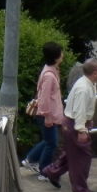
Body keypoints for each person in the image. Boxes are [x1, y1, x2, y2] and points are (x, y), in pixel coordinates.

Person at [43, 58, 97, 192]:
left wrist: (89, 120)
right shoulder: (84, 88)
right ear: (95, 73)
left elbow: (83, 109)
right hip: (75, 125)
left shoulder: (86, 83)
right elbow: (79, 110)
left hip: (72, 124)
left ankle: (52, 172)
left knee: (71, 153)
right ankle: (80, 189)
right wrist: (82, 129)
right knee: (82, 158)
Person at [22, 42, 64, 177]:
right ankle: (44, 171)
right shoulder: (49, 76)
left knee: (49, 141)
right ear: (56, 57)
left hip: (49, 115)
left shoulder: (51, 71)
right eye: (61, 53)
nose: (63, 55)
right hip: (47, 115)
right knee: (52, 144)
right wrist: (47, 116)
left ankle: (30, 159)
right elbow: (44, 98)